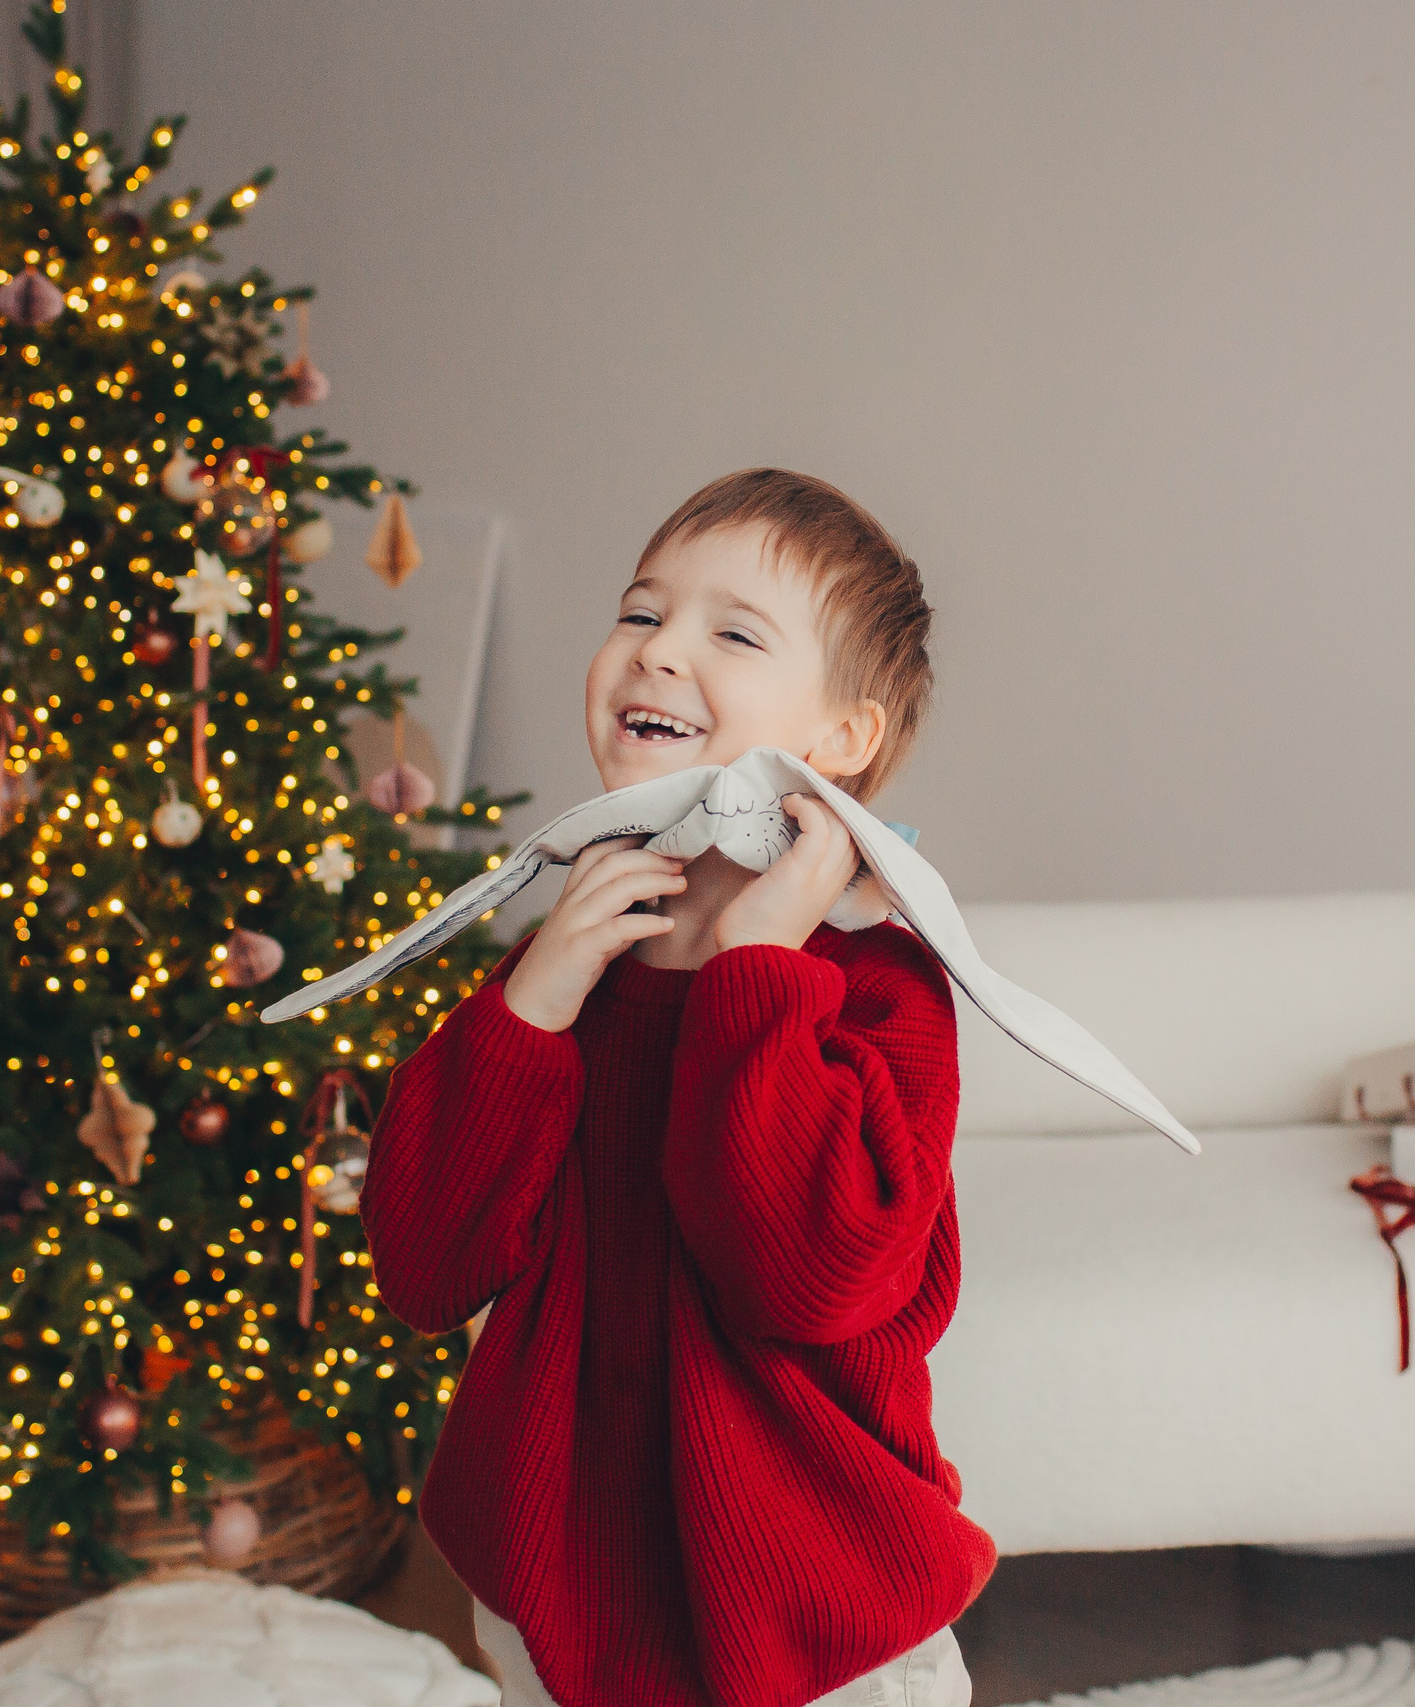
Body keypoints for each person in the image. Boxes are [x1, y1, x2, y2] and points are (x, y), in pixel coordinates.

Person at [361, 469, 989, 1707]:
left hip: (820, 1598)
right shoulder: (555, 977)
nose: (656, 651)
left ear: (841, 740)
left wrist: (757, 971)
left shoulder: (879, 993)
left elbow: (811, 1280)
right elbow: (422, 1268)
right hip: (557, 1581)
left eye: (733, 634)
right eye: (640, 613)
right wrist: (530, 1005)